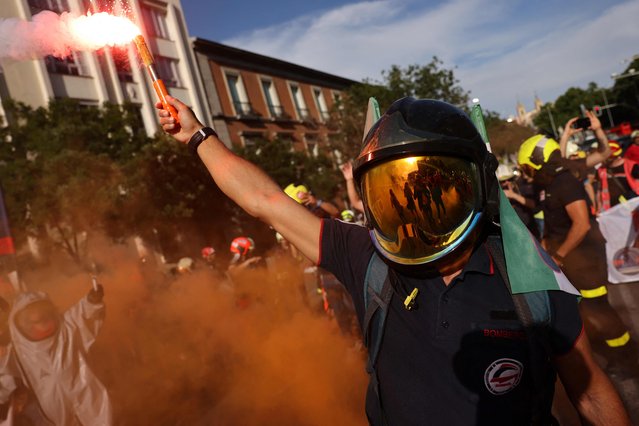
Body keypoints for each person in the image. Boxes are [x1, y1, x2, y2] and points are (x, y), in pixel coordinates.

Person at [157, 95, 630, 425]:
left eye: (433, 195)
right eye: (393, 198)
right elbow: (266, 201)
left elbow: (589, 391)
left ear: (477, 186)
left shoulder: (530, 274)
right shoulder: (369, 259)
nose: (413, 216)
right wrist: (198, 135)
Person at [518, 134, 638, 379]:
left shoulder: (564, 182)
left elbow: (581, 224)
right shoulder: (548, 185)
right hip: (573, 260)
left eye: (527, 166)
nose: (525, 172)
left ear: (538, 160)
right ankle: (619, 353)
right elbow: (552, 224)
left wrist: (559, 254)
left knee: (599, 309)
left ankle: (628, 357)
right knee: (588, 310)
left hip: (587, 260)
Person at [1, 288, 113, 425]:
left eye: (44, 316)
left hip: (92, 405)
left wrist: (92, 301)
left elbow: (83, 312)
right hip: (55, 417)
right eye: (34, 320)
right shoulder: (18, 351)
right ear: (21, 323)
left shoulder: (67, 330)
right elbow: (4, 379)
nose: (41, 323)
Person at [596, 141, 639, 212]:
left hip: (633, 205)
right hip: (613, 209)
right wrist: (599, 207)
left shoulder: (631, 165)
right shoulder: (601, 170)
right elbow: (599, 190)